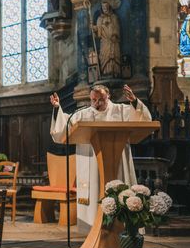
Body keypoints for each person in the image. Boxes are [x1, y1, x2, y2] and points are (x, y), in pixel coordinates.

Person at [49, 84, 151, 233]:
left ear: (108, 96)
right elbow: (63, 128)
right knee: (94, 190)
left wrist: (134, 102)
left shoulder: (121, 110)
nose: (97, 103)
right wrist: (58, 108)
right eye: (93, 100)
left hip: (117, 160)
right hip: (91, 160)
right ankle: (94, 230)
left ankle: (121, 228)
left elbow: (144, 118)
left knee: (118, 188)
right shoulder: (82, 114)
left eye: (101, 99)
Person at [93, 1, 121, 78]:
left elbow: (117, 27)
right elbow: (98, 33)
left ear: (109, 7)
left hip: (113, 41)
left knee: (114, 56)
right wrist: (94, 29)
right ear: (101, 8)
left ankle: (115, 72)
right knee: (104, 56)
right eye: (103, 7)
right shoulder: (99, 19)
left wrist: (115, 35)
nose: (105, 8)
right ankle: (105, 73)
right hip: (104, 41)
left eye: (106, 7)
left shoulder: (114, 17)